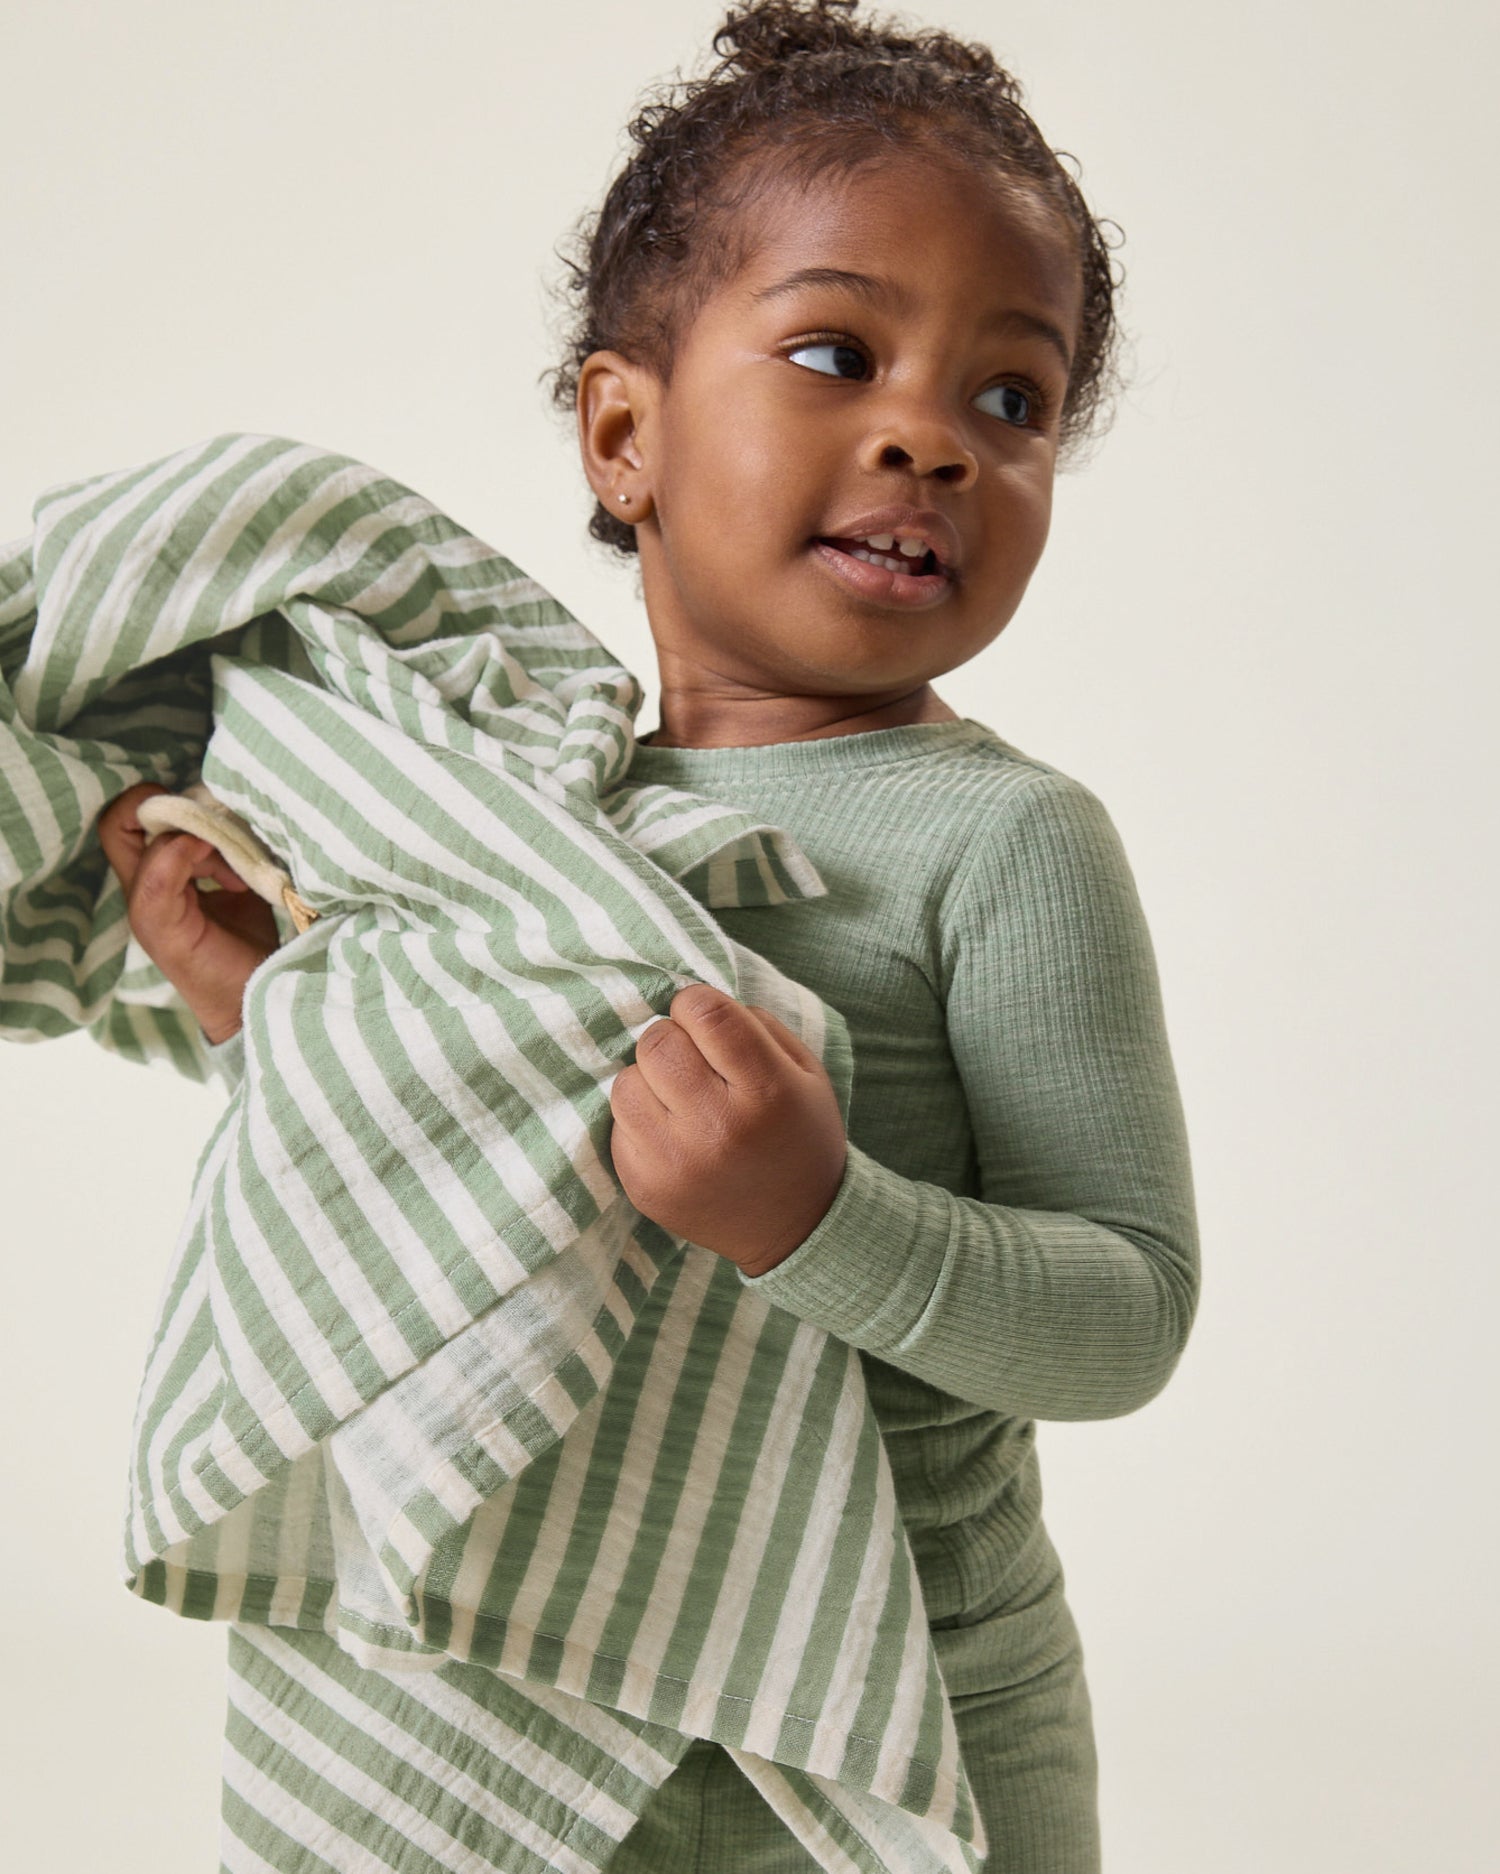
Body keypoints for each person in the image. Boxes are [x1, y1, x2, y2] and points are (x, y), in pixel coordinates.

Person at [97, 1, 1199, 1867]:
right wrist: (273, 1017)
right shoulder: (520, 814)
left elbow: (1128, 1312)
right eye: (842, 353)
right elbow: (455, 1189)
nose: (933, 437)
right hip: (532, 1669)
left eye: (1012, 399)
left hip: (898, 1703)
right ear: (626, 432)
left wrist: (819, 1220)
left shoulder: (1008, 843)